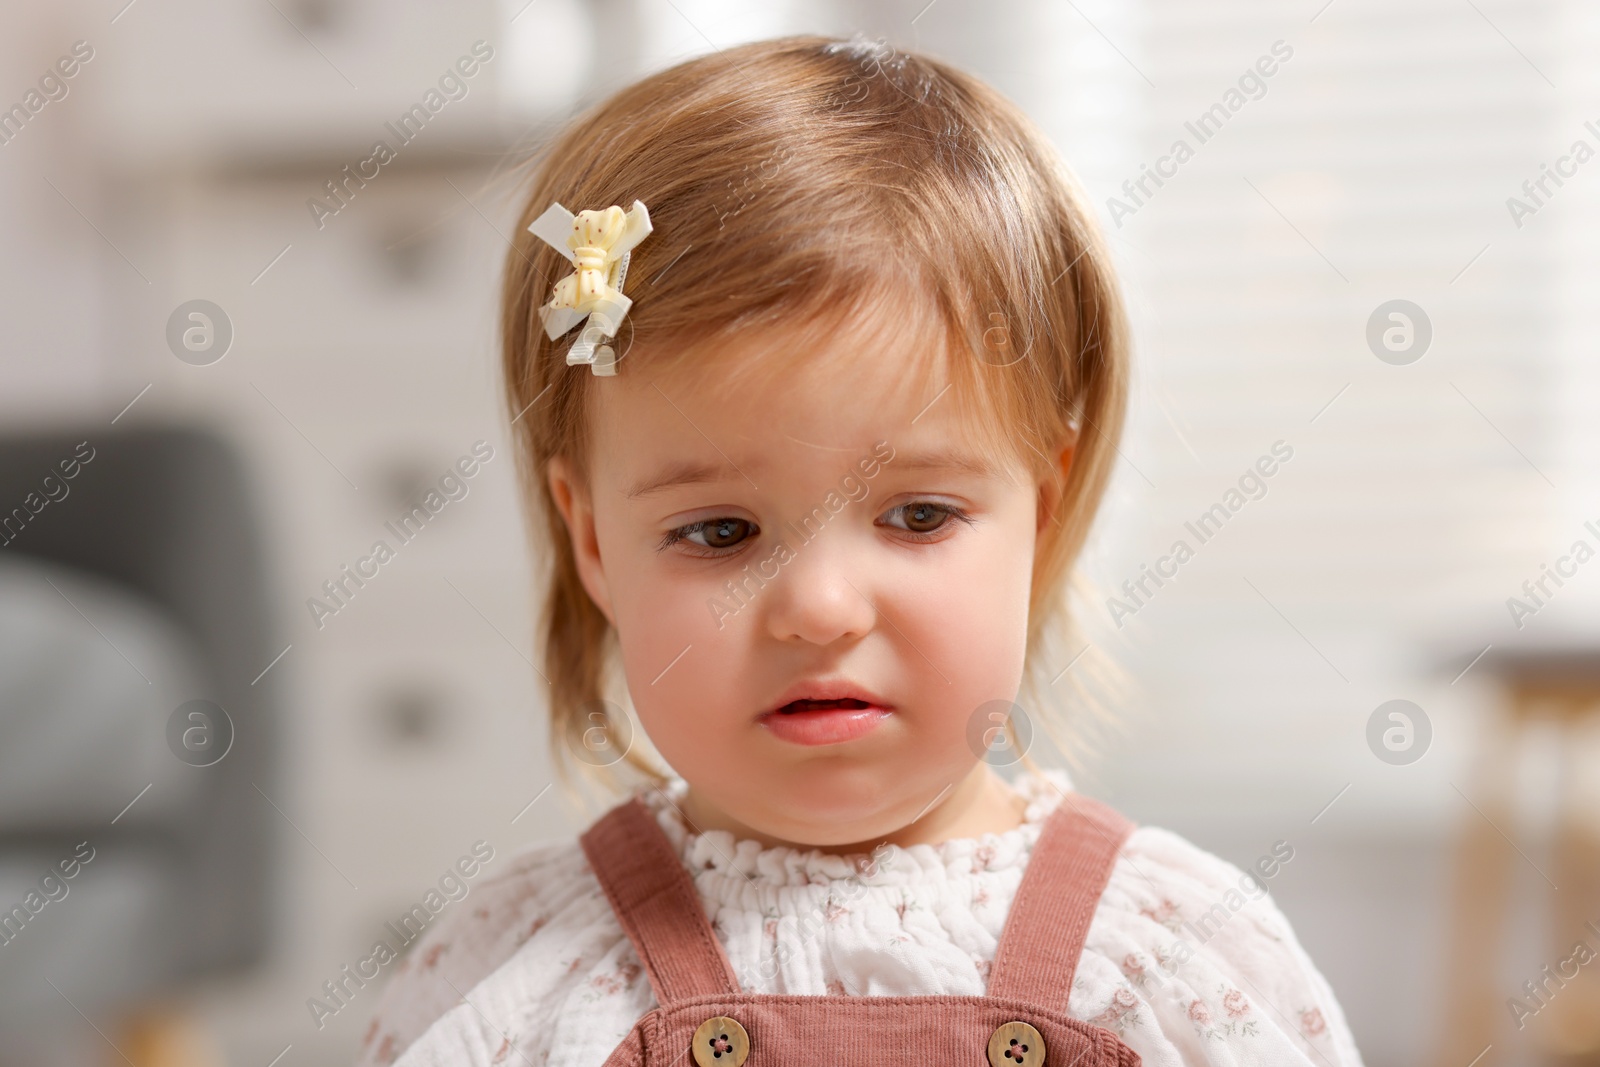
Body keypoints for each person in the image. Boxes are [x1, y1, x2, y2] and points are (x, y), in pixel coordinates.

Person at [355, 34, 1363, 1067]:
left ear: (1043, 513)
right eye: (720, 531)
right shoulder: (520, 974)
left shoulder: (1170, 961)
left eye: (918, 517)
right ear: (595, 544)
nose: (822, 607)